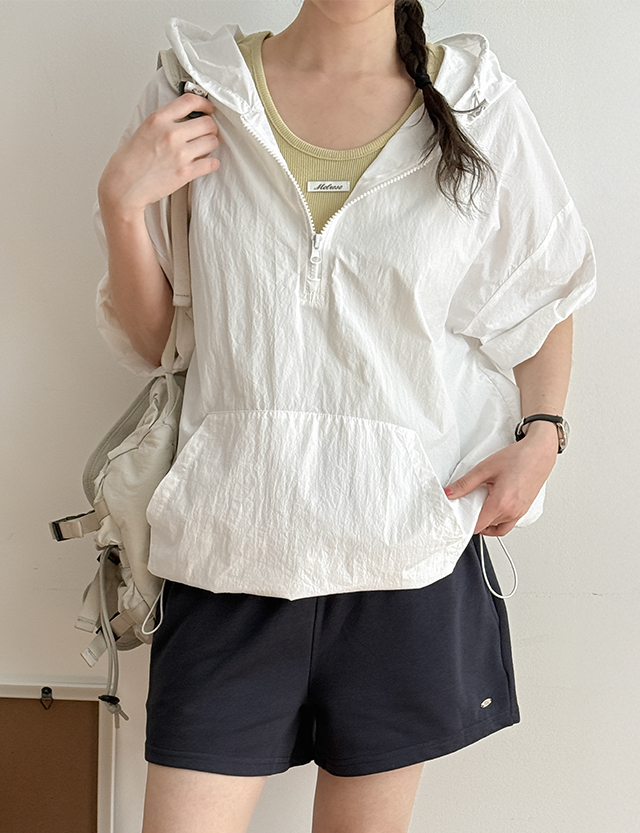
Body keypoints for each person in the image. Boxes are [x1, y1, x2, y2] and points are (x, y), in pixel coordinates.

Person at [94, 1, 596, 831]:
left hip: (407, 556)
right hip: (229, 552)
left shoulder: (476, 101)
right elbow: (159, 343)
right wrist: (120, 203)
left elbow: (541, 299)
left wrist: (543, 435)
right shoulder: (197, 88)